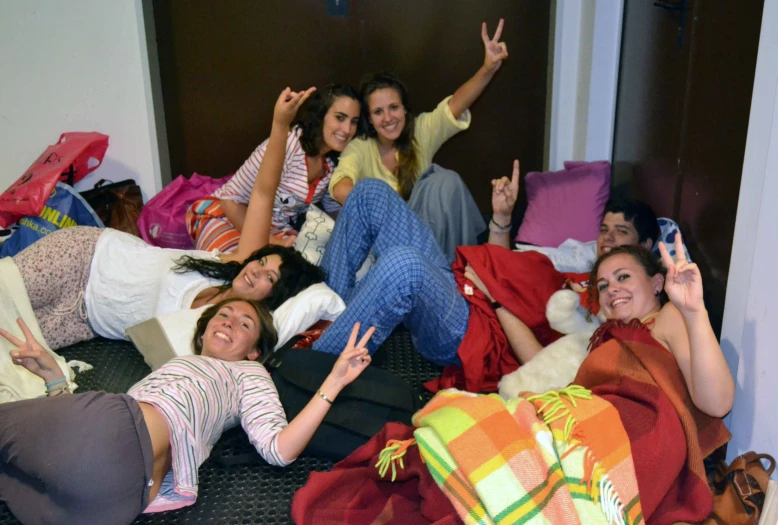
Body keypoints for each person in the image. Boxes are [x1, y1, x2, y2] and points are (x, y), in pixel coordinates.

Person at [0, 299, 375, 523]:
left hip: (119, 468)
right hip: (116, 502)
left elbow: (279, 449)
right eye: (224, 314)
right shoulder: (179, 365)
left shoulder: (248, 373)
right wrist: (53, 379)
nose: (228, 321)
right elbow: (71, 447)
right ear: (204, 328)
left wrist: (334, 382)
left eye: (244, 324)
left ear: (254, 351)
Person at [8, 89, 326, 350]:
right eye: (262, 263)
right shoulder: (235, 265)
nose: (256, 271)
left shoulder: (223, 333)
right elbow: (261, 195)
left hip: (84, 320)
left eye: (270, 278)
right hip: (86, 259)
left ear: (275, 297)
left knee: (8, 353)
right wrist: (280, 124)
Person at [310, 161, 662, 392]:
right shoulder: (574, 263)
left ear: (645, 248)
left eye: (621, 232)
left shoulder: (610, 305)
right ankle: (320, 317)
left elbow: (541, 360)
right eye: (604, 229)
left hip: (474, 329)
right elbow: (504, 267)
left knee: (404, 266)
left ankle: (310, 369)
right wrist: (502, 218)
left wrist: (495, 299)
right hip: (462, 285)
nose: (608, 238)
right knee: (370, 194)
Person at [327, 20, 510, 260]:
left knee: (445, 181)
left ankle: (463, 270)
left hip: (432, 236)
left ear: (405, 110)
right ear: (370, 119)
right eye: (378, 112)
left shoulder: (420, 131)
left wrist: (488, 68)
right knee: (393, 190)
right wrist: (382, 211)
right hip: (389, 244)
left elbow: (456, 104)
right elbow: (339, 185)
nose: (388, 118)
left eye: (394, 107)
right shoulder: (361, 146)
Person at [187, 84, 361, 253]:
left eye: (354, 122)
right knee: (242, 268)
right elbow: (230, 201)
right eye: (340, 118)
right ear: (321, 115)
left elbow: (334, 212)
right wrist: (272, 242)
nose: (347, 129)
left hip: (277, 232)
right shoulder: (289, 144)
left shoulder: (332, 165)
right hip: (228, 217)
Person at [590, 239, 734, 417]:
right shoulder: (604, 339)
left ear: (657, 283)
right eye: (603, 286)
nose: (611, 289)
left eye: (623, 277)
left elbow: (718, 405)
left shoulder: (667, 317)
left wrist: (694, 312)